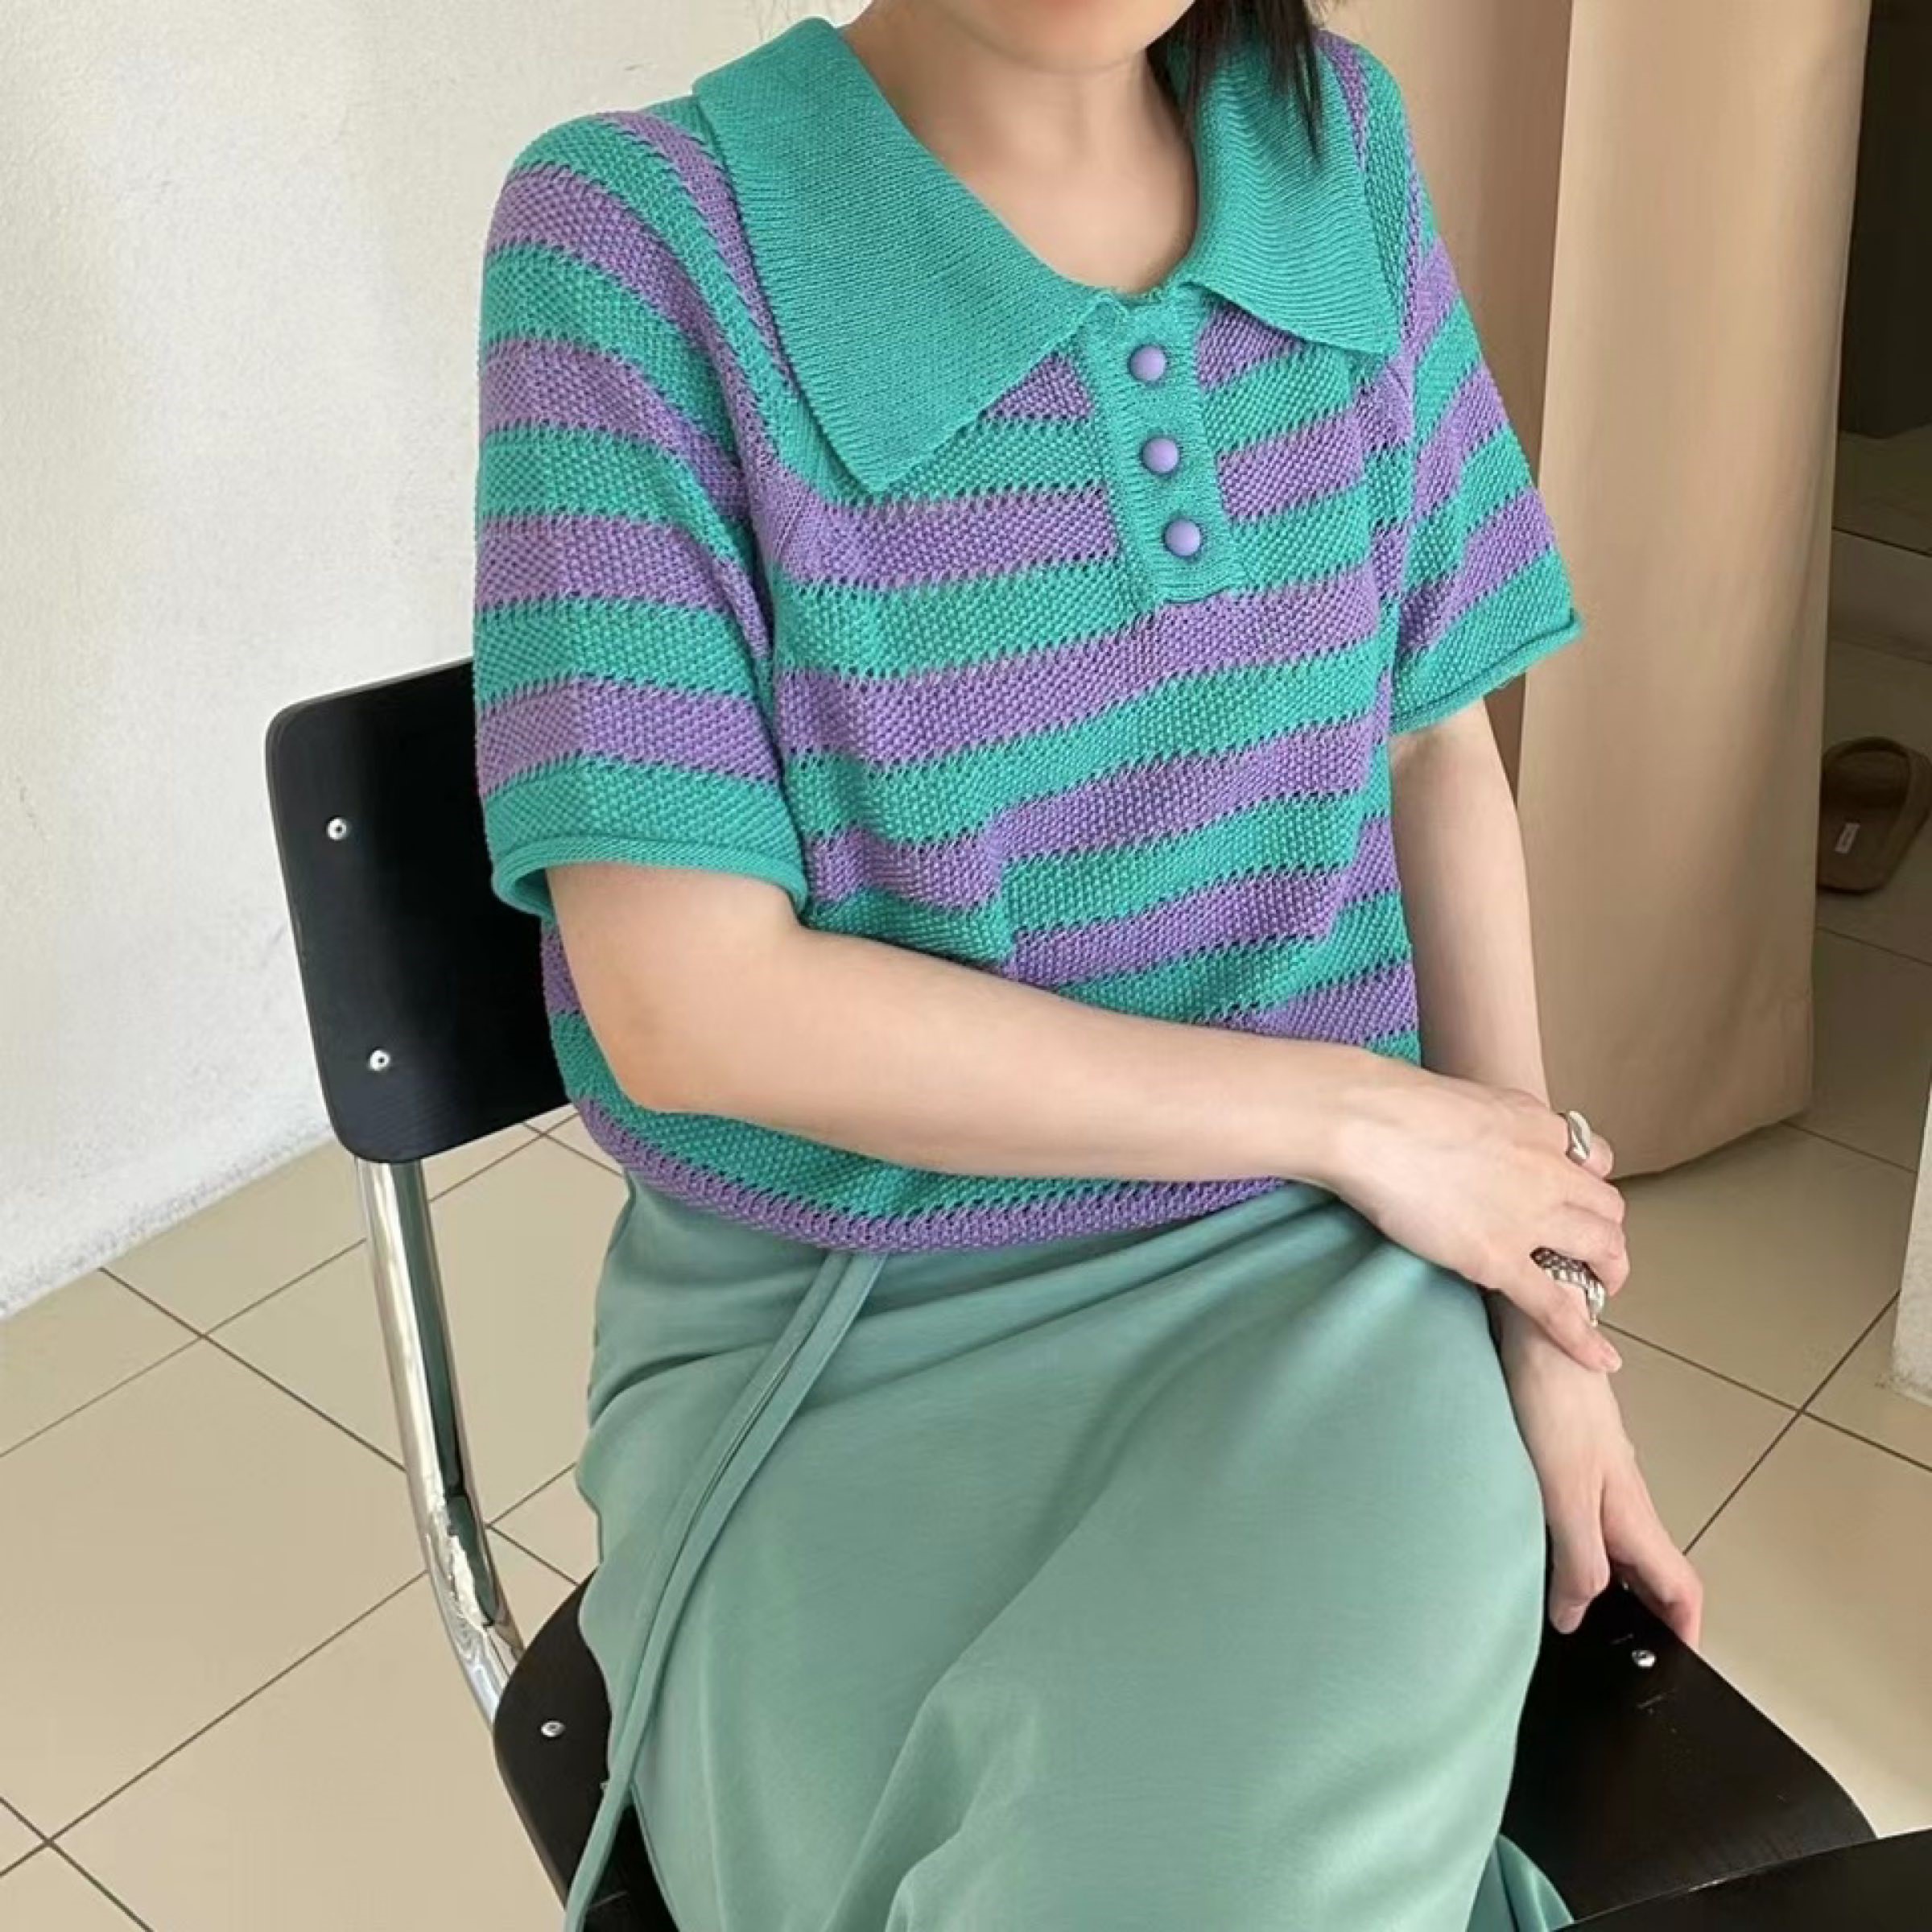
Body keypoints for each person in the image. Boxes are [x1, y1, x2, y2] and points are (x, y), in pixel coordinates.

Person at [469, 3, 1704, 1926]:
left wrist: (1542, 1325)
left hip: (1323, 1282)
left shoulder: (1333, 151)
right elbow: (687, 1004)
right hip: (833, 1334)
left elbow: (1430, 752)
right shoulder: (637, 242)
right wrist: (1357, 1116)